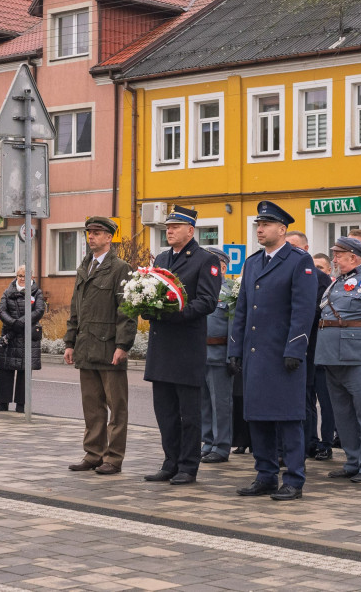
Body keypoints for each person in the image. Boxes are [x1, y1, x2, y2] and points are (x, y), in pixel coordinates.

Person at [227, 202, 316, 500]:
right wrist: (235, 349)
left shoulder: (299, 261)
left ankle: (293, 479)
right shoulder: (252, 263)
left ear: (282, 229)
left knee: (289, 419)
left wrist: (295, 348)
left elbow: (303, 311)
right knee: (259, 418)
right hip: (255, 355)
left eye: (266, 224)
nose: (260, 229)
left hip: (283, 356)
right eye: (258, 225)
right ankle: (265, 475)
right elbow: (242, 309)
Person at [144, 206, 220, 485]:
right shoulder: (162, 258)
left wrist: (176, 314)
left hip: (186, 348)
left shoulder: (204, 260)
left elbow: (207, 301)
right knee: (165, 412)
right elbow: (151, 290)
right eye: (168, 227)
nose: (170, 231)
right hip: (162, 347)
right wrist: (145, 306)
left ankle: (188, 465)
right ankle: (170, 462)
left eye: (175, 227)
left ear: (191, 230)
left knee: (189, 414)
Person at [313, 236, 361, 484]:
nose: (334, 259)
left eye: (338, 254)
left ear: (354, 257)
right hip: (331, 357)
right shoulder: (335, 284)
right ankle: (353, 460)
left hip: (359, 358)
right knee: (342, 414)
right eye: (334, 254)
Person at [65, 217, 137, 475]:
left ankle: (113, 458)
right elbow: (76, 307)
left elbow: (127, 310)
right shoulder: (84, 266)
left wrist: (123, 345)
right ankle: (93, 453)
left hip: (110, 349)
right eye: (89, 233)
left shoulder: (120, 268)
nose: (91, 237)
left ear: (109, 237)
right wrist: (70, 341)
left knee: (116, 407)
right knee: (92, 406)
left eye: (97, 233)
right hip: (86, 346)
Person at [285, 231, 335, 462]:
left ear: (305, 248)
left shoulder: (319, 277)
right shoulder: (282, 273)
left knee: (324, 399)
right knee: (302, 401)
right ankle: (307, 443)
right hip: (294, 349)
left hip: (317, 348)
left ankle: (325, 443)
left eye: (294, 246)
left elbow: (316, 310)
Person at [0, 265, 45, 413]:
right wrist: (13, 323)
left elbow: (39, 310)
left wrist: (20, 323)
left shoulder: (37, 293)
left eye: (25, 275)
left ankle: (21, 404)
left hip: (27, 336)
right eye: (20, 275)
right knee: (5, 369)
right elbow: (1, 310)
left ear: (32, 277)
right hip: (10, 335)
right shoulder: (8, 291)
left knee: (24, 371)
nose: (22, 278)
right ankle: (3, 403)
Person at [201, 248, 234, 464]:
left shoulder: (231, 290)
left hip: (219, 353)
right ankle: (207, 442)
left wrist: (233, 355)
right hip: (199, 353)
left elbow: (234, 324)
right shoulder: (200, 287)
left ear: (222, 266)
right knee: (203, 402)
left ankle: (221, 446)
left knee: (220, 403)